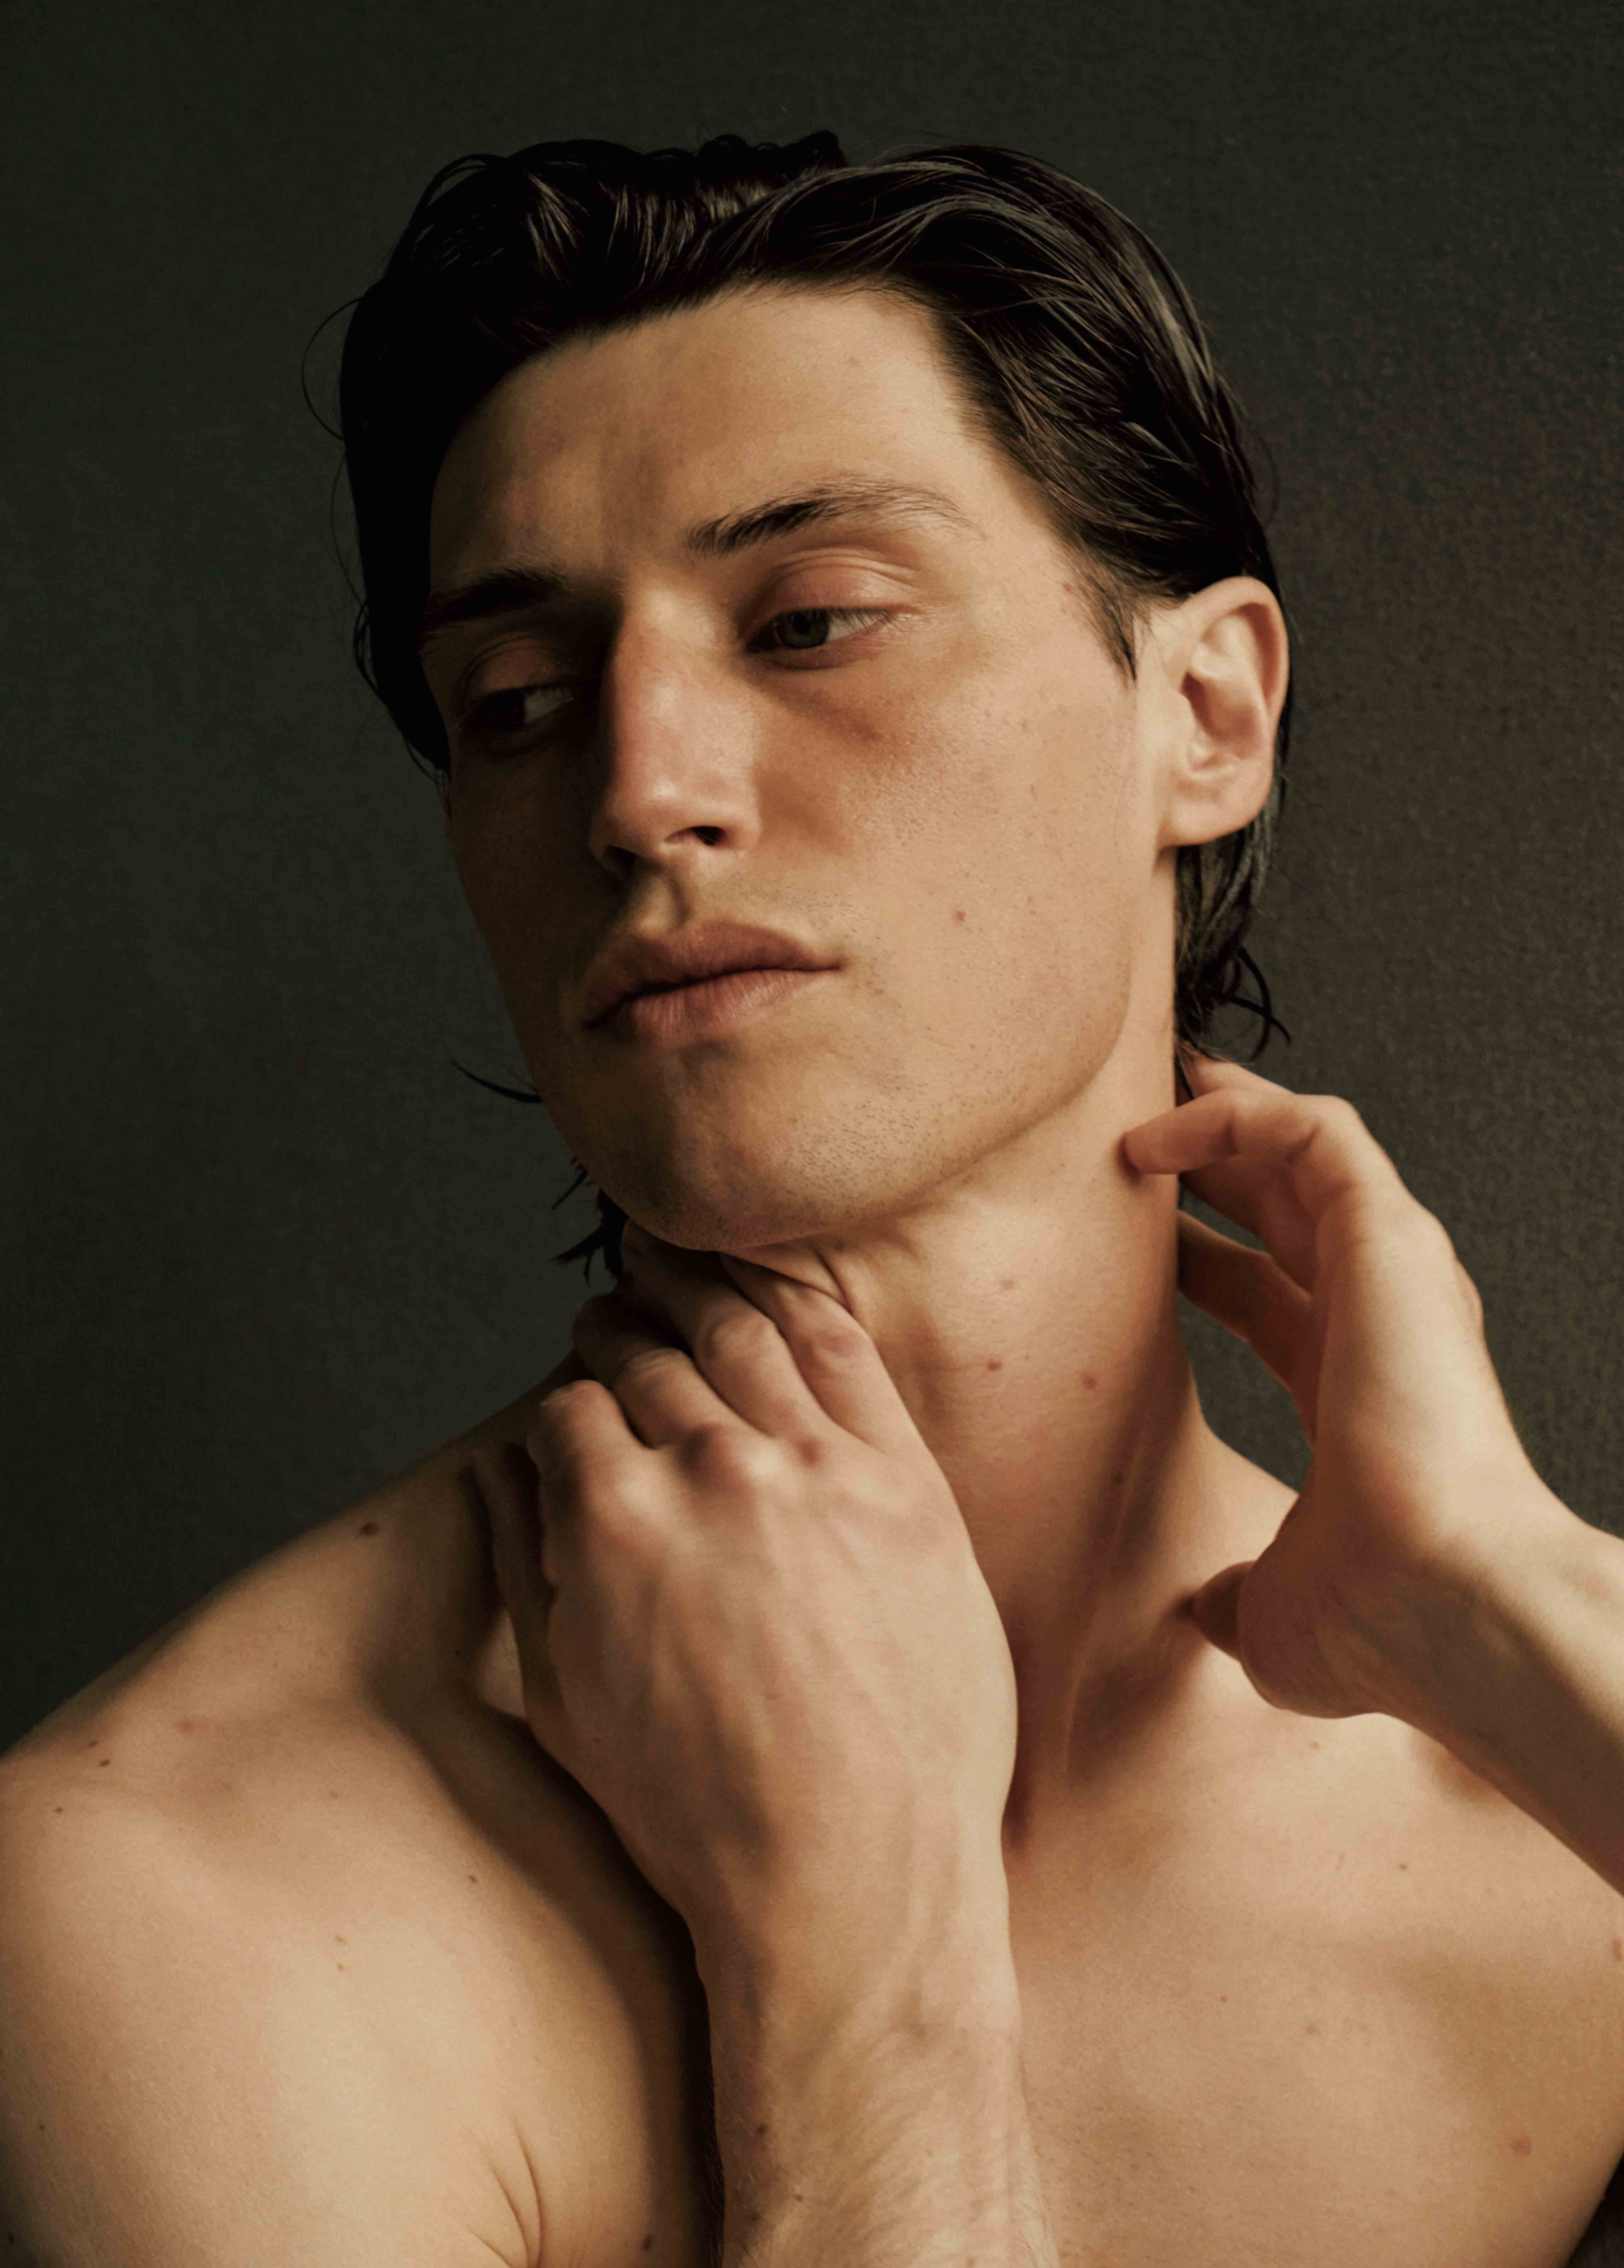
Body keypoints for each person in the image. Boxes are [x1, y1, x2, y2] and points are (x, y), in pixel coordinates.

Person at [2, 130, 1622, 2268]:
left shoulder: (1552, 1788)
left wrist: (1508, 1614)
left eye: (814, 621)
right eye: (518, 705)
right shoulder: (186, 1889)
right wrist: (868, 2008)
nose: (641, 790)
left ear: (1207, 713)